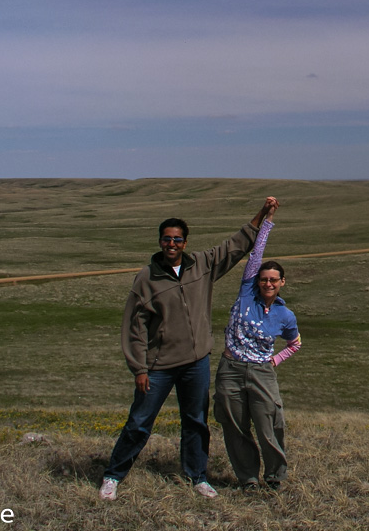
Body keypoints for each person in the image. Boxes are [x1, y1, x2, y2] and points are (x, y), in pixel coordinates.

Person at [100, 197, 279, 501]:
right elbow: (135, 325)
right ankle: (113, 476)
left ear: (185, 242)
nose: (172, 243)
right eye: (167, 239)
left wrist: (261, 215)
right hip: (158, 366)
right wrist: (139, 368)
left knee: (195, 420)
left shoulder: (202, 265)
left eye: (177, 239)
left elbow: (234, 246)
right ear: (160, 241)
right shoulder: (147, 277)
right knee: (140, 421)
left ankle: (197, 476)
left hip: (195, 363)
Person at [214, 201, 302, 491]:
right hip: (231, 368)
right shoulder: (247, 292)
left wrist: (274, 361)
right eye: (264, 279)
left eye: (273, 280)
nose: (267, 283)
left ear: (282, 283)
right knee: (235, 427)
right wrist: (267, 218)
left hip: (263, 372)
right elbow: (257, 253)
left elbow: (295, 343)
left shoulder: (284, 315)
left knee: (270, 426)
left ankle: (276, 476)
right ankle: (248, 478)